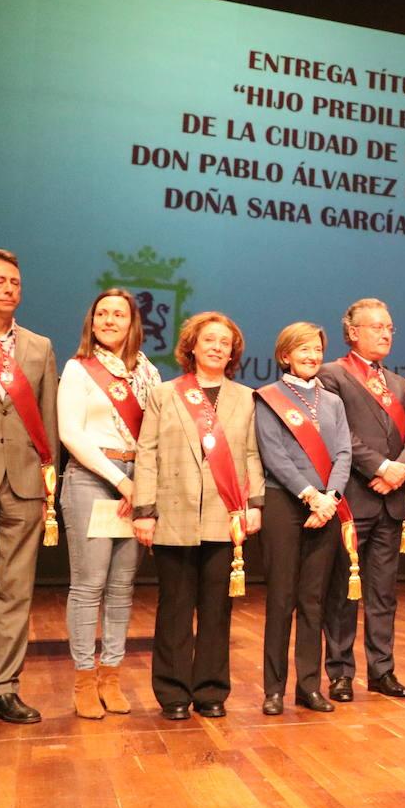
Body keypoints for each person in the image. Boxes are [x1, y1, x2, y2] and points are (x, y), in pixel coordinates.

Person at [133, 312, 264, 719]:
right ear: (192, 346)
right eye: (209, 339)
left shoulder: (245, 398)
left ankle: (211, 690)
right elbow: (147, 453)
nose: (217, 347)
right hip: (173, 512)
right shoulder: (165, 394)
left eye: (225, 342)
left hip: (225, 515)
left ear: (232, 353)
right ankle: (172, 693)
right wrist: (144, 510)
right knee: (174, 606)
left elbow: (249, 455)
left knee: (216, 607)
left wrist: (255, 503)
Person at [57, 288, 161, 719]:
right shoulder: (79, 369)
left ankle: (111, 676)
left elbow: (155, 435)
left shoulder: (150, 373)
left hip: (138, 483)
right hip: (92, 481)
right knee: (89, 587)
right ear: (92, 320)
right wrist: (121, 480)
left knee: (122, 588)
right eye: (102, 313)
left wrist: (144, 487)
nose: (110, 320)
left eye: (119, 313)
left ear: (132, 323)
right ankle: (84, 679)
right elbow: (71, 434)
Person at [318, 298, 405, 701]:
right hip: (352, 499)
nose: (385, 333)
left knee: (384, 592)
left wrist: (400, 469)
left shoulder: (398, 384)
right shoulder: (332, 376)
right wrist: (380, 468)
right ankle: (341, 673)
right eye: (377, 326)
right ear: (354, 332)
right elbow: (337, 434)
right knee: (345, 589)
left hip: (392, 501)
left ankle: (382, 670)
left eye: (389, 327)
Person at [254, 322, 351, 714]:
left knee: (314, 600)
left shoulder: (333, 402)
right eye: (303, 349)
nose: (311, 356)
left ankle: (308, 686)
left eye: (316, 349)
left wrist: (330, 498)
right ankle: (273, 689)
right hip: (285, 504)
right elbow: (272, 453)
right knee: (281, 600)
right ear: (285, 355)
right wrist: (310, 495)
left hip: (326, 507)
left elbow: (343, 453)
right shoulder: (268, 398)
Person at [0, 248, 58, 725]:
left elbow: (46, 417)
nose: (10, 289)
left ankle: (3, 689)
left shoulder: (39, 346)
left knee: (15, 591)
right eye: (0, 281)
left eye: (16, 283)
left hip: (24, 481)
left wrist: (50, 478)